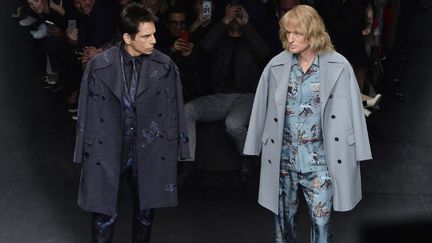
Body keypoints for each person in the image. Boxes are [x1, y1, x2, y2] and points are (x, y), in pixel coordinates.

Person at [243, 5, 372, 242]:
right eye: (287, 33)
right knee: (284, 222)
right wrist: (253, 146)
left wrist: (360, 151)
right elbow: (262, 106)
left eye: (297, 33)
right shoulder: (276, 65)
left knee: (321, 222)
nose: (290, 39)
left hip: (322, 160)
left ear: (313, 33)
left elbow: (354, 108)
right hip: (284, 159)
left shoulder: (339, 65)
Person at [73, 3, 189, 242]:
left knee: (145, 212)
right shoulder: (99, 65)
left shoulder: (165, 66)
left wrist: (178, 149)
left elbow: (174, 109)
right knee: (104, 212)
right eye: (146, 36)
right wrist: (82, 150)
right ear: (128, 37)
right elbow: (86, 110)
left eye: (154, 34)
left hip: (148, 145)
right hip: (108, 145)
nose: (153, 40)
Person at [182, 2, 270, 180]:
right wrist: (224, 21)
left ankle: (250, 158)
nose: (235, 18)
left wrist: (247, 26)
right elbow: (204, 49)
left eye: (239, 13)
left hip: (247, 96)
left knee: (234, 124)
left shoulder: (251, 40)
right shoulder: (219, 39)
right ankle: (187, 164)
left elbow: (264, 53)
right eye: (232, 14)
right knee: (187, 110)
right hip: (220, 97)